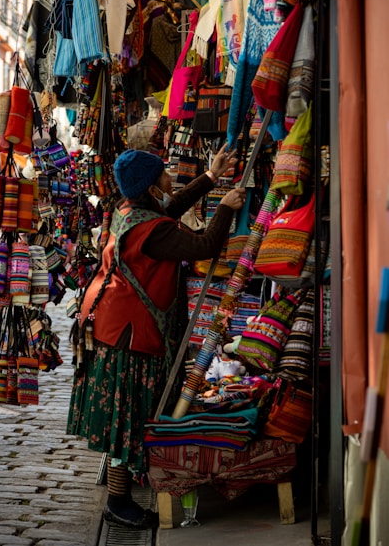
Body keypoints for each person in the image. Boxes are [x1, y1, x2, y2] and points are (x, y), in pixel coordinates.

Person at [67, 143, 246, 529]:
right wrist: (227, 208)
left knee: (124, 415)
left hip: (111, 325)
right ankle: (118, 501)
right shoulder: (154, 230)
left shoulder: (127, 211)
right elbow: (204, 245)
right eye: (163, 174)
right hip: (130, 335)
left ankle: (125, 489)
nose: (169, 178)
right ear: (150, 187)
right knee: (126, 419)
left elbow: (169, 209)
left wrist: (211, 178)